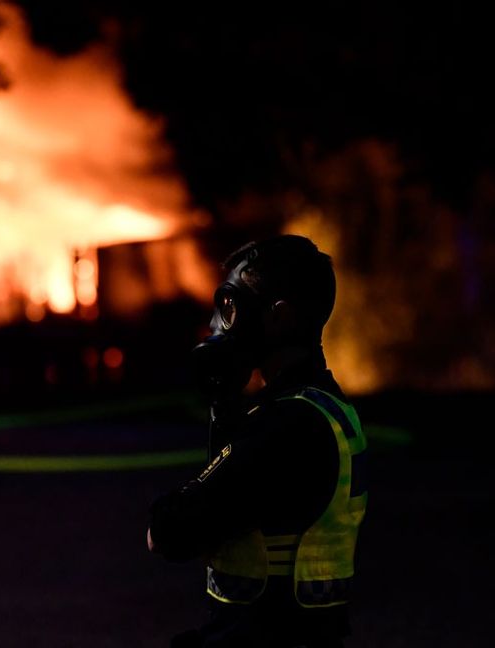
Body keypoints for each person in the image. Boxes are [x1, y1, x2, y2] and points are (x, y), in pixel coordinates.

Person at [146, 234, 368, 648]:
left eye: (232, 306)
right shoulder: (324, 407)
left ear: (278, 317)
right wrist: (228, 411)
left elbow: (170, 531)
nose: (219, 324)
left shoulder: (285, 426)